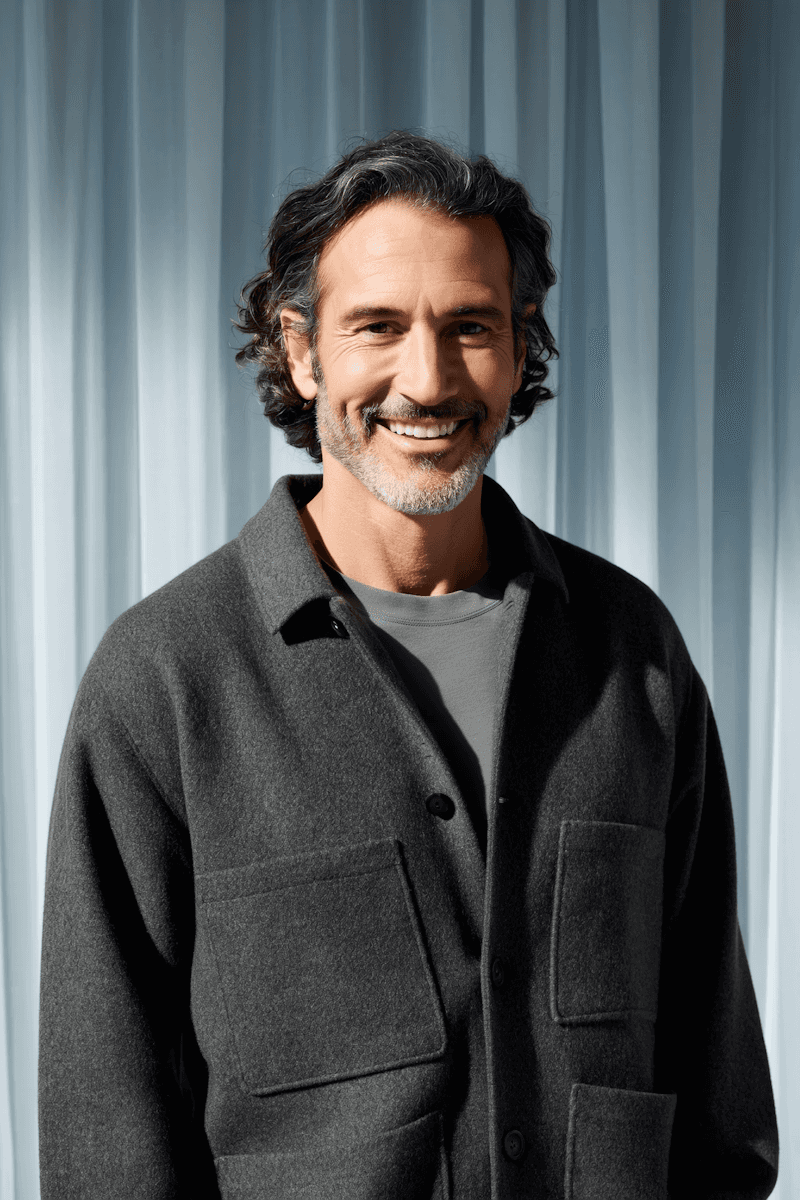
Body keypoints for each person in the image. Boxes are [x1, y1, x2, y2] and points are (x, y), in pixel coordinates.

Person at [39, 132, 778, 1199]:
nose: (425, 381)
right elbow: (107, 1129)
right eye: (377, 327)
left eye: (469, 327)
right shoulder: (163, 681)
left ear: (521, 347)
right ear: (302, 351)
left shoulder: (631, 655)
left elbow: (714, 1098)